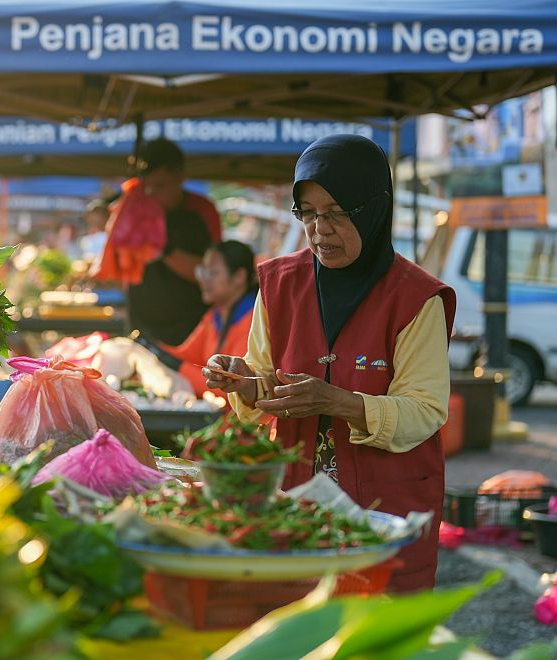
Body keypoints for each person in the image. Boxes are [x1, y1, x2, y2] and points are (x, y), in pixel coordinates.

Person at [204, 134, 455, 593]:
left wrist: (339, 402)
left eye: (338, 213)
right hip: (298, 503)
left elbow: (425, 409)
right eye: (310, 213)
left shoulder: (416, 298)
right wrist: (242, 383)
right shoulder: (279, 284)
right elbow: (263, 381)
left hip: (386, 509)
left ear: (374, 209)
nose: (321, 229)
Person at [103, 137, 222, 345]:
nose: (151, 194)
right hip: (141, 329)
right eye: (146, 187)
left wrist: (165, 249)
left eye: (159, 186)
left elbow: (213, 275)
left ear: (180, 177)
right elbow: (117, 270)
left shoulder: (201, 210)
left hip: (190, 333)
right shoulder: (137, 209)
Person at [163, 240, 257, 396]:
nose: (203, 279)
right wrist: (148, 346)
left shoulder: (253, 321)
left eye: (212, 273)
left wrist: (176, 365)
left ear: (239, 276)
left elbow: (232, 389)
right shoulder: (215, 315)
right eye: (202, 271)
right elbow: (186, 355)